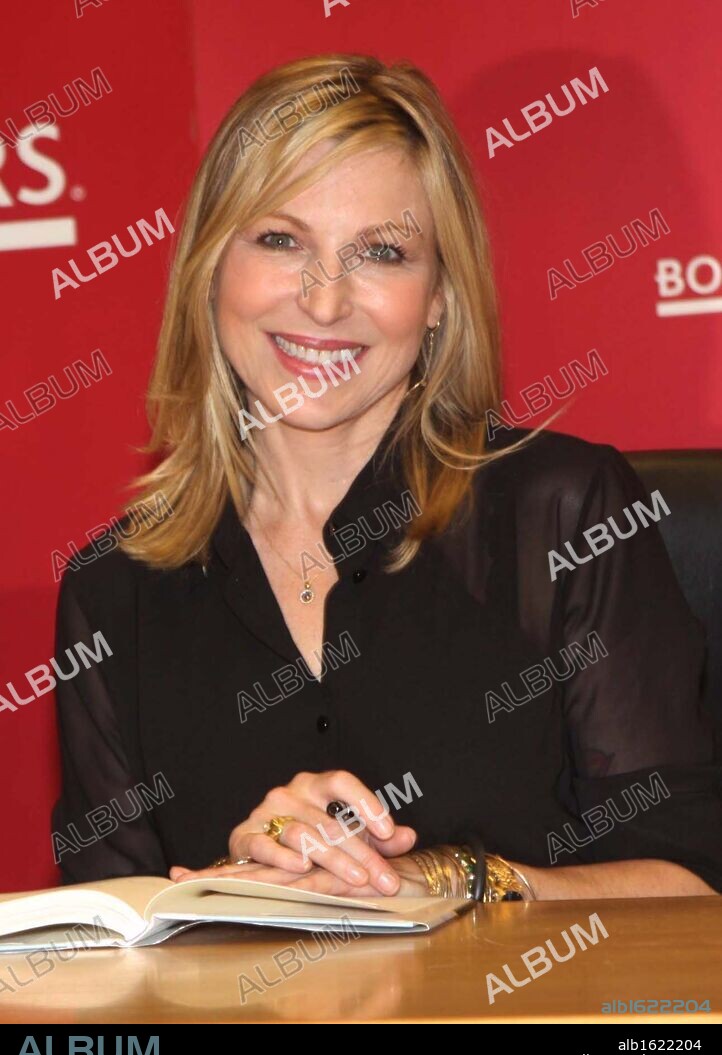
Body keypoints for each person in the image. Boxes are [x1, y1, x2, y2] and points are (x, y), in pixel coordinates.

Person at [51, 54, 722, 902]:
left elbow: (691, 887)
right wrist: (242, 890)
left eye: (381, 252)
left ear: (439, 295)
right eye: (281, 240)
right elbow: (114, 944)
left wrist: (440, 881)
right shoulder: (113, 592)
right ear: (210, 267)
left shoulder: (567, 515)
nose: (325, 302)